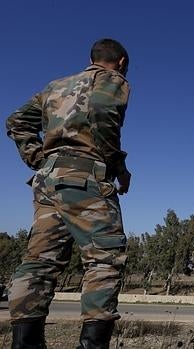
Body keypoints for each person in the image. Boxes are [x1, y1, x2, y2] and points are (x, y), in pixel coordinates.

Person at [6, 38, 131, 349]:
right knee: (104, 259)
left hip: (48, 183)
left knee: (39, 261)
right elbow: (103, 118)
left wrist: (39, 159)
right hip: (86, 178)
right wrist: (118, 166)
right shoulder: (112, 80)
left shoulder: (54, 87)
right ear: (122, 61)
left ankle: (25, 343)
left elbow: (16, 121)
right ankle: (92, 345)